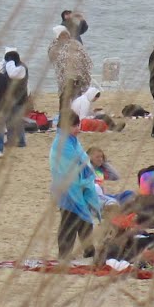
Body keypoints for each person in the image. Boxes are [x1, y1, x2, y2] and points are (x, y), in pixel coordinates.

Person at [49, 111, 100, 259]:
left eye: (78, 125)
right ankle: (64, 254)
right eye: (74, 126)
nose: (78, 129)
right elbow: (71, 165)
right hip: (67, 189)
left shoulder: (71, 140)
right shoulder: (62, 143)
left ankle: (89, 249)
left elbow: (82, 160)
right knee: (69, 222)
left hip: (78, 187)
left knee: (84, 220)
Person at [0, 46, 29, 153]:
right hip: (11, 98)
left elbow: (12, 74)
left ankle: (21, 141)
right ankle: (12, 140)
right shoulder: (15, 66)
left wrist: (8, 63)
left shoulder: (20, 67)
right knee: (9, 120)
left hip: (19, 97)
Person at [48, 24, 91, 116]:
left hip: (77, 76)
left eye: (66, 34)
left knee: (75, 97)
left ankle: (75, 117)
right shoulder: (55, 46)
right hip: (67, 78)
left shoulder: (75, 44)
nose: (65, 36)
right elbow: (55, 58)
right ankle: (66, 117)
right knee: (67, 98)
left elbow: (84, 58)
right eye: (62, 35)